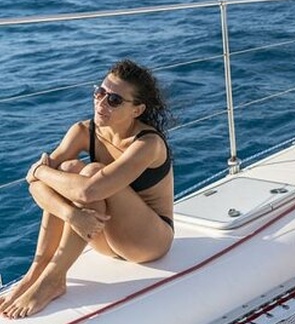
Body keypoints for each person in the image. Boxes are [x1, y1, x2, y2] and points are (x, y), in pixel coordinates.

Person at [0, 59, 174, 319]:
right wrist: (71, 215)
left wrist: (38, 170)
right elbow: (37, 189)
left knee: (90, 174)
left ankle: (54, 279)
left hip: (148, 242)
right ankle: (35, 273)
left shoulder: (147, 144)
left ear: (137, 110)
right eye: (99, 92)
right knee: (70, 168)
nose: (101, 103)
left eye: (114, 100)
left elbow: (88, 192)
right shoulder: (83, 131)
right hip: (99, 232)